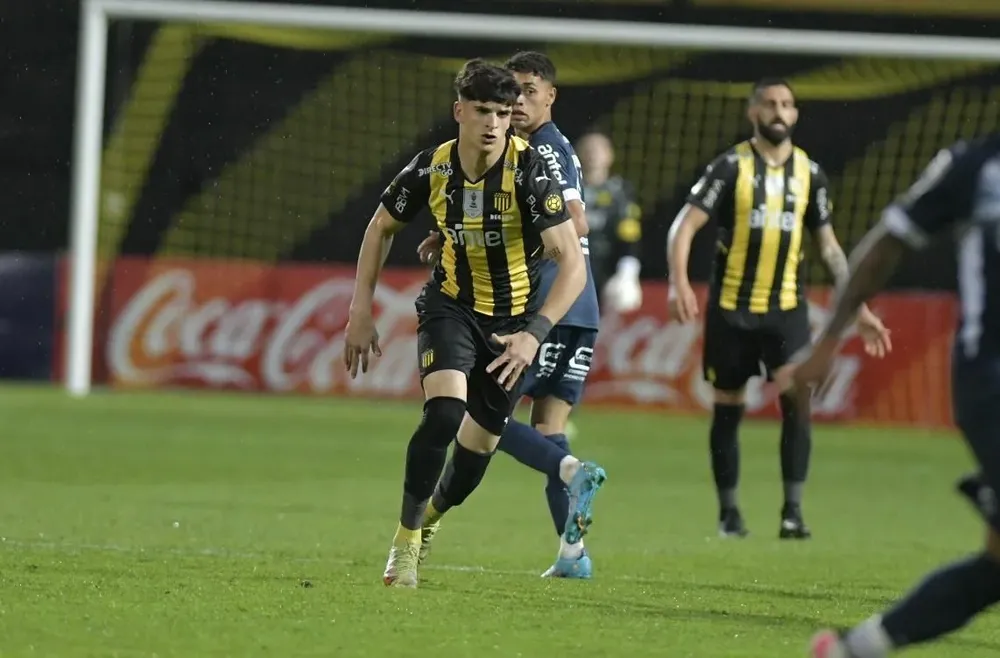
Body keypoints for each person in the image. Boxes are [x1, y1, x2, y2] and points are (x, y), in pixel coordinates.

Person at [344, 59, 593, 589]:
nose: (495, 123)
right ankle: (405, 543)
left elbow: (573, 264)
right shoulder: (432, 168)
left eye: (503, 113)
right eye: (483, 110)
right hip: (451, 308)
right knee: (444, 413)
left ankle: (430, 518)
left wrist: (534, 334)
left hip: (512, 329)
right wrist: (360, 310)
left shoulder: (530, 173)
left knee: (473, 460)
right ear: (460, 110)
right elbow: (380, 227)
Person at [787, 134, 1000, 658]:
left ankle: (854, 649)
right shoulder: (974, 168)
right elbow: (888, 244)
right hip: (992, 379)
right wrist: (831, 337)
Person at [666, 77, 891, 539]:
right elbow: (684, 226)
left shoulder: (810, 174)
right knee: (728, 407)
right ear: (753, 112)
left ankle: (792, 512)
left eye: (786, 104)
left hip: (786, 309)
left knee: (797, 399)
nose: (778, 111)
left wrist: (858, 308)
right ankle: (729, 513)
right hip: (731, 308)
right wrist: (677, 282)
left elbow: (828, 248)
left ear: (795, 114)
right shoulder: (730, 167)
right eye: (769, 103)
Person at [415, 51, 607, 579]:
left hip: (540, 304)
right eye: (511, 92)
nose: (517, 102)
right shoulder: (555, 145)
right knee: (549, 424)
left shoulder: (537, 151)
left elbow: (576, 222)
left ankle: (570, 470)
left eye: (528, 90)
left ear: (550, 95)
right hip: (582, 310)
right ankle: (572, 552)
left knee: (483, 416)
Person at [575, 131, 644, 314]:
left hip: (602, 268)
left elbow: (630, 236)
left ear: (610, 155)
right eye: (588, 149)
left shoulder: (620, 193)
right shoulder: (565, 189)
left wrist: (628, 273)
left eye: (599, 149)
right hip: (567, 265)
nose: (593, 155)